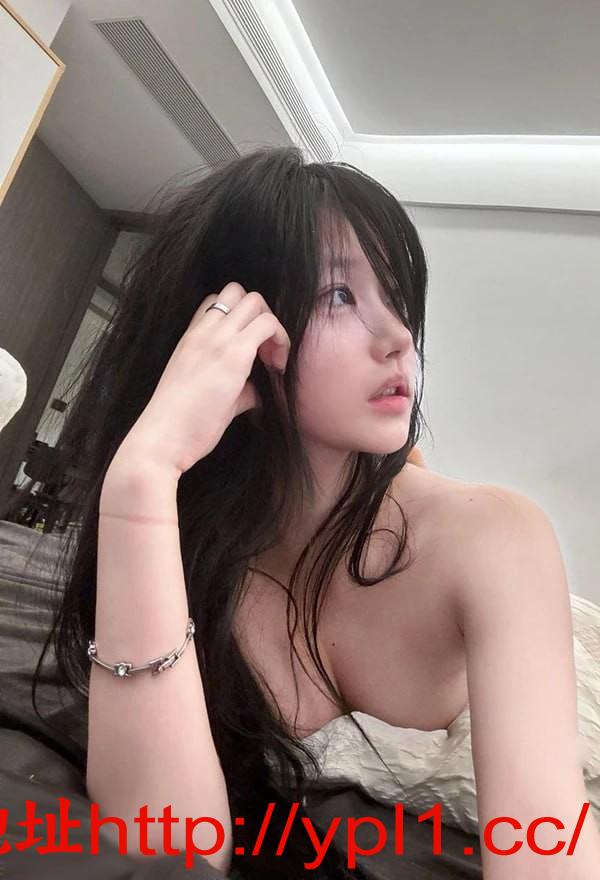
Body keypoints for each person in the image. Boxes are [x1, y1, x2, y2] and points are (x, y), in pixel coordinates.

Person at [31, 145, 600, 879]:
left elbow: (546, 847)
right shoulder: (198, 551)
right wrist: (143, 476)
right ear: (231, 332)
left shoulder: (495, 537)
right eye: (338, 294)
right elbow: (169, 847)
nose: (400, 337)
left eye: (398, 297)